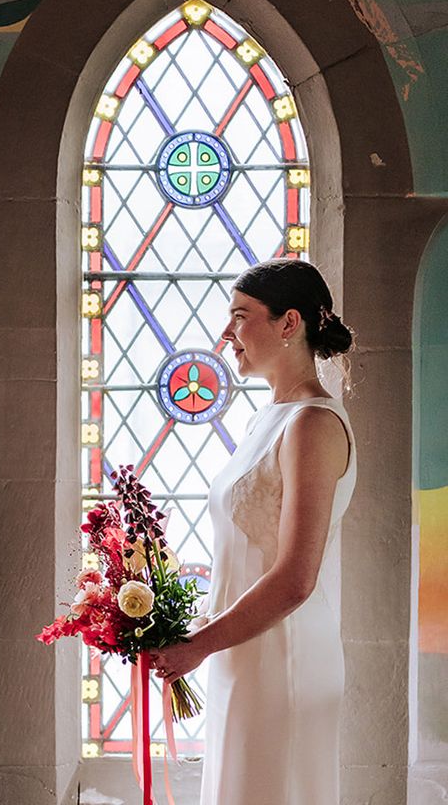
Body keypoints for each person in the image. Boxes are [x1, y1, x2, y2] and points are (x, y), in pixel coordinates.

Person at [150, 258, 355, 805]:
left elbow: (294, 578)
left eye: (240, 316)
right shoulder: (263, 420)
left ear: (289, 324)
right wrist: (192, 631)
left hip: (283, 659)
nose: (226, 333)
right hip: (242, 655)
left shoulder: (312, 423)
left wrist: (197, 645)